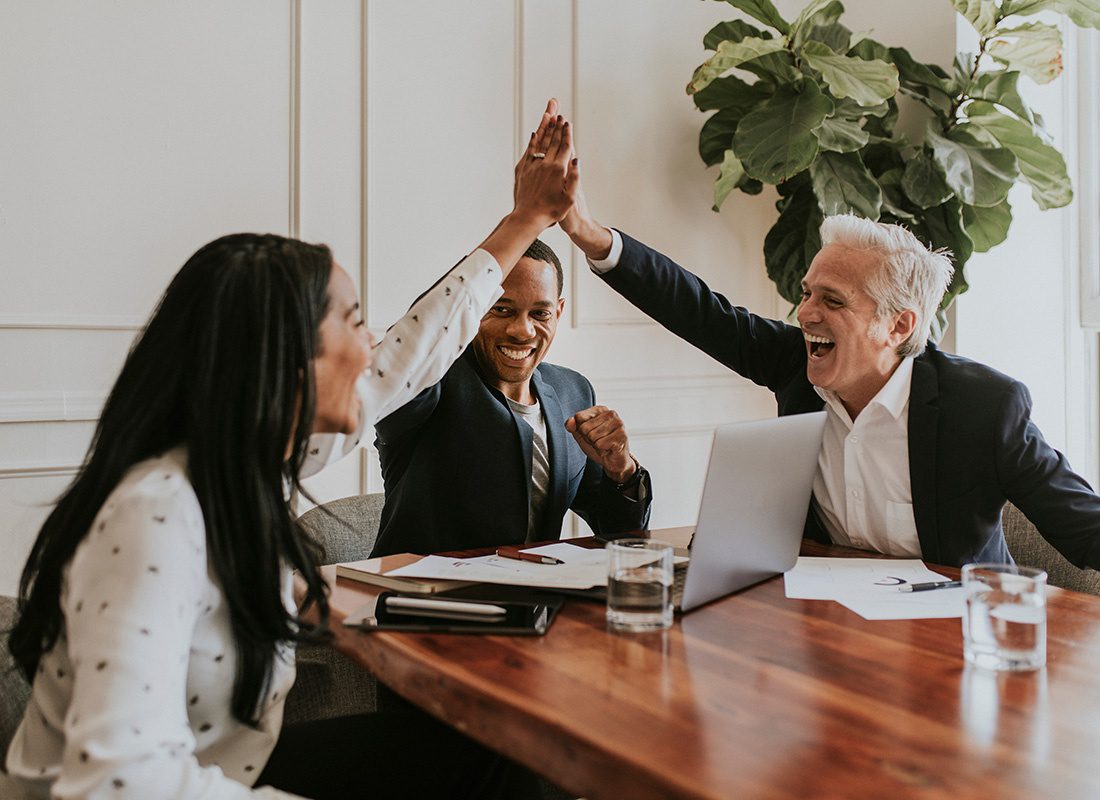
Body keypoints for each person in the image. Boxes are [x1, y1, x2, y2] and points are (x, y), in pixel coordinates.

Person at [4, 108, 577, 799]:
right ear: (288, 361)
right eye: (356, 323)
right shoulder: (154, 514)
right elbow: (116, 782)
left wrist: (525, 221)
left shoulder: (244, 469)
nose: (371, 350)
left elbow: (405, 363)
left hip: (230, 770)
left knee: (503, 753)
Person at [557, 147, 1100, 569]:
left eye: (832, 300)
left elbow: (1083, 528)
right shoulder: (794, 363)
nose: (805, 314)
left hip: (955, 647)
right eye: (807, 291)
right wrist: (586, 232)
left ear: (899, 324)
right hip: (829, 632)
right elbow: (698, 309)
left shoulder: (984, 406)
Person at [370, 238, 652, 557]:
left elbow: (620, 534)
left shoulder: (573, 390)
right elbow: (409, 343)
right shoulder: (428, 381)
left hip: (533, 602)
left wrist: (622, 470)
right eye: (502, 309)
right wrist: (519, 225)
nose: (522, 330)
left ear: (558, 311)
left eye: (540, 314)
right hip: (423, 601)